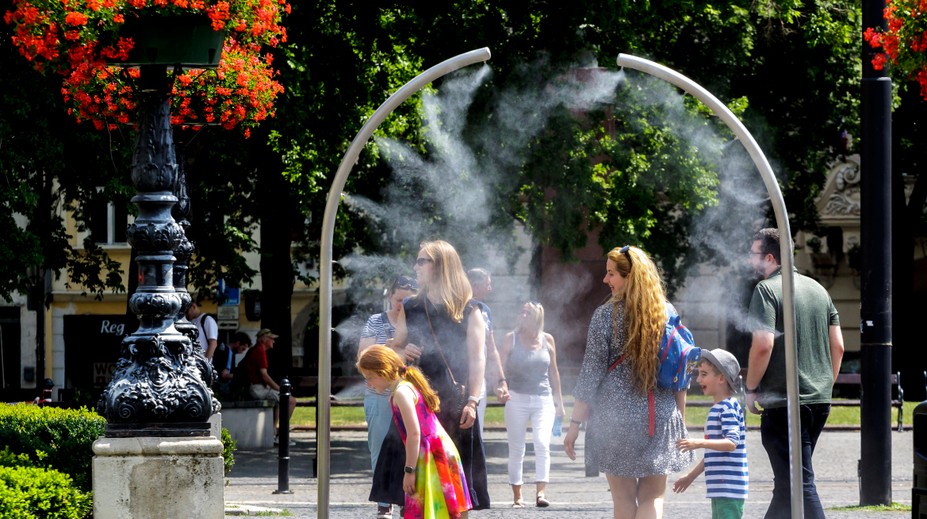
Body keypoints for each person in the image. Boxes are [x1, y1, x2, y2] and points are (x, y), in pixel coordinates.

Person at [564, 245, 694, 519]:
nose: (605, 280)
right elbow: (680, 374)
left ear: (630, 277)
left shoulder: (605, 316)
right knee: (654, 497)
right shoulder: (666, 312)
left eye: (611, 274)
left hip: (614, 421)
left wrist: (574, 426)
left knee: (623, 501)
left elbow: (590, 375)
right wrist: (679, 421)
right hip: (659, 417)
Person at [745, 228, 844, 519]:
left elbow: (763, 345)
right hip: (818, 400)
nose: (750, 262)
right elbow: (837, 346)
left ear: (770, 257)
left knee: (799, 483)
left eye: (754, 255)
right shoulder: (818, 290)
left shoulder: (766, 290)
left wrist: (751, 387)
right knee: (788, 485)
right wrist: (824, 384)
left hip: (785, 403)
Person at [395, 239, 491, 510]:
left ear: (440, 266)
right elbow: (393, 352)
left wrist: (473, 401)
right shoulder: (411, 306)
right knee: (417, 485)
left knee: (456, 492)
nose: (415, 266)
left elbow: (478, 358)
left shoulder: (469, 308)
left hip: (455, 404)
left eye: (421, 261)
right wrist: (402, 352)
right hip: (417, 404)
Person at [358, 345, 472, 519]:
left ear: (383, 371)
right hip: (437, 452)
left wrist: (409, 471)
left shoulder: (401, 392)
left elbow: (414, 434)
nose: (369, 383)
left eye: (370, 377)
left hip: (433, 456)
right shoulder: (405, 387)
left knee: (437, 511)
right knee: (448, 510)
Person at [359, 275, 418, 519]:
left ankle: (408, 501)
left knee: (410, 447)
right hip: (379, 395)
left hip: (407, 394)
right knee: (380, 448)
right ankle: (384, 502)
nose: (401, 305)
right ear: (389, 295)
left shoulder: (419, 322)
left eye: (407, 300)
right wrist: (397, 348)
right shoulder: (375, 321)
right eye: (398, 299)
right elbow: (363, 355)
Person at [499, 301, 565, 508]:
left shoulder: (548, 340)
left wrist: (560, 403)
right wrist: (499, 386)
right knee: (517, 448)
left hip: (543, 399)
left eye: (527, 313)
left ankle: (541, 493)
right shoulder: (511, 339)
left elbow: (554, 372)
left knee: (542, 443)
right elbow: (498, 366)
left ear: (537, 316)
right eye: (522, 312)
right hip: (516, 397)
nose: (523, 315)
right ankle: (517, 496)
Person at [673, 349, 748, 518]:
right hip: (721, 488)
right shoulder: (719, 408)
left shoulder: (727, 408)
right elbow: (713, 455)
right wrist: (690, 476)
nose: (698, 379)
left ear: (721, 378)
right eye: (699, 374)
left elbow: (731, 443)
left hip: (729, 488)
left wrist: (698, 443)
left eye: (704, 374)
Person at [466, 268, 510, 435]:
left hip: (478, 381)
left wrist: (501, 381)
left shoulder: (485, 311)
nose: (490, 289)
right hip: (456, 378)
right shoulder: (453, 306)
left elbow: (491, 350)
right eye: (487, 284)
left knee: (476, 431)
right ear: (475, 286)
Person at [241, 328, 297, 445]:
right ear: (264, 339)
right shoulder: (259, 351)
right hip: (257, 389)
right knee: (290, 401)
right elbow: (264, 376)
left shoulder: (255, 350)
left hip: (255, 387)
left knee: (278, 401)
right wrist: (280, 389)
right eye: (271, 339)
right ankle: (281, 434)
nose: (274, 341)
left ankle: (274, 432)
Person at [213, 331, 252, 400]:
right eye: (243, 348)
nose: (242, 351)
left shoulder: (233, 354)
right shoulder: (223, 349)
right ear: (238, 343)